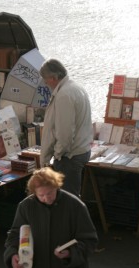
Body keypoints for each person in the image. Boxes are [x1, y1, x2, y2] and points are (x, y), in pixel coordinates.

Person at [3, 167, 98, 268]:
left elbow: (89, 240)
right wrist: (12, 254)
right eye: (41, 195)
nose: (46, 199)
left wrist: (70, 253)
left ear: (57, 187)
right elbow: (15, 235)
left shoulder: (75, 206)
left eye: (50, 193)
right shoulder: (26, 206)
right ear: (33, 193)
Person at [39, 59, 93, 197]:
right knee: (72, 198)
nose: (46, 84)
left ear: (54, 78)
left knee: (68, 201)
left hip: (69, 157)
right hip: (81, 150)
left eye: (46, 81)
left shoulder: (63, 95)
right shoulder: (76, 87)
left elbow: (65, 133)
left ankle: (72, 220)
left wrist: (58, 154)